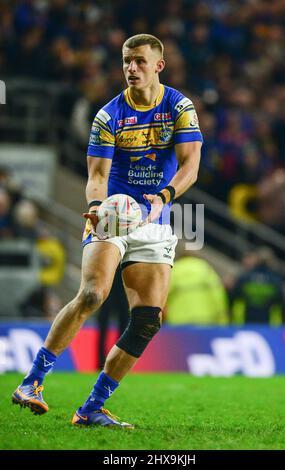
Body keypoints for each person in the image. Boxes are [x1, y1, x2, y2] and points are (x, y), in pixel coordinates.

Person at [12, 34, 203, 429]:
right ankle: (32, 381)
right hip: (113, 214)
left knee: (148, 319)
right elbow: (96, 175)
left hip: (154, 218)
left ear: (158, 65)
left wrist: (163, 197)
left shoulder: (180, 108)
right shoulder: (108, 115)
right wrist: (97, 208)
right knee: (93, 293)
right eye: (126, 61)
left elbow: (190, 166)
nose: (131, 68)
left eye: (139, 61)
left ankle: (92, 408)